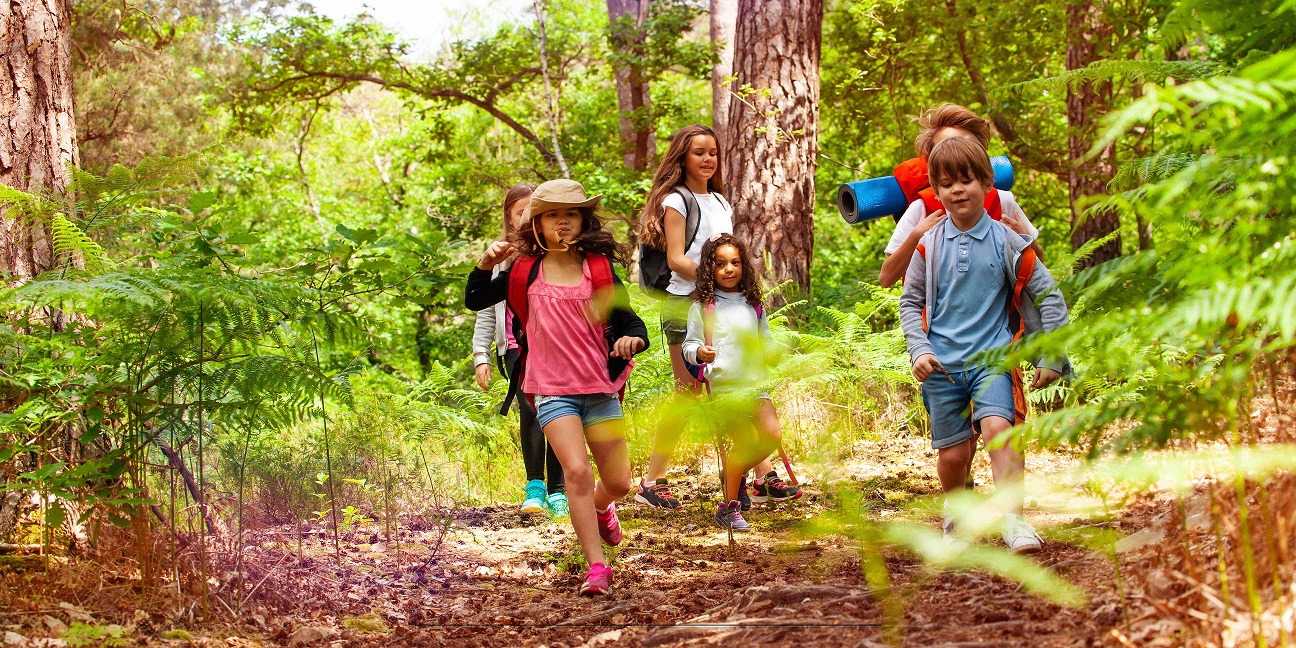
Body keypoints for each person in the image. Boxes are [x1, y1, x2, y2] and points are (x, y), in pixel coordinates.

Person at [464, 179, 649, 596]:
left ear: (583, 220)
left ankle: (604, 508)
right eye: (551, 215)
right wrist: (483, 262)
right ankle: (597, 567)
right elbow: (475, 300)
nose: (561, 222)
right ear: (537, 224)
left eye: (570, 213)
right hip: (551, 390)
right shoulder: (523, 270)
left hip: (599, 388)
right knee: (578, 473)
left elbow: (630, 322)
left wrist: (631, 339)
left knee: (618, 483)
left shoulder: (598, 268)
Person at [898, 137, 1068, 554]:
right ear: (935, 193)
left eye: (967, 180)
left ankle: (1015, 520)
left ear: (988, 184)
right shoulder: (928, 244)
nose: (958, 190)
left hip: (993, 358)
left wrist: (1052, 355)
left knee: (999, 431)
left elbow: (1049, 297)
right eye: (947, 184)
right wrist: (919, 350)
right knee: (954, 455)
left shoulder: (1008, 240)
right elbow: (909, 301)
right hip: (942, 366)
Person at [635, 124, 733, 510]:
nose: (708, 159)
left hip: (719, 304)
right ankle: (651, 479)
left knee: (734, 384)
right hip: (684, 304)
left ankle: (762, 477)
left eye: (712, 152)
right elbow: (677, 258)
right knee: (688, 392)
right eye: (699, 152)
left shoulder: (722, 202)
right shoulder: (676, 200)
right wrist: (718, 282)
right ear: (683, 157)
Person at [681, 234, 796, 532]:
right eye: (720, 264)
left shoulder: (753, 305)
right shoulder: (702, 308)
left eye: (735, 262)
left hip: (757, 385)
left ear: (744, 265)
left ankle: (736, 475)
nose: (728, 269)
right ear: (709, 269)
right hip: (725, 388)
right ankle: (728, 507)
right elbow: (688, 346)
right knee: (744, 443)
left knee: (771, 435)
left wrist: (773, 353)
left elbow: (765, 340)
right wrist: (699, 353)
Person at [471, 183, 568, 517]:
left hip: (556, 345)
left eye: (533, 210)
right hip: (515, 345)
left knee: (559, 410)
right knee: (531, 407)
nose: (528, 217)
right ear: (509, 217)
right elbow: (484, 309)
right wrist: (481, 355)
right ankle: (535, 488)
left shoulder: (555, 250)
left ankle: (558, 491)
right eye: (520, 211)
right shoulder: (500, 256)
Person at [879, 104, 1044, 288]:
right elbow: (886, 279)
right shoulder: (922, 209)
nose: (956, 154)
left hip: (1000, 316)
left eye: (966, 145)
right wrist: (916, 235)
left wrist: (1026, 242)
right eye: (945, 148)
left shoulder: (1002, 201)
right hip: (935, 316)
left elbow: (1039, 265)